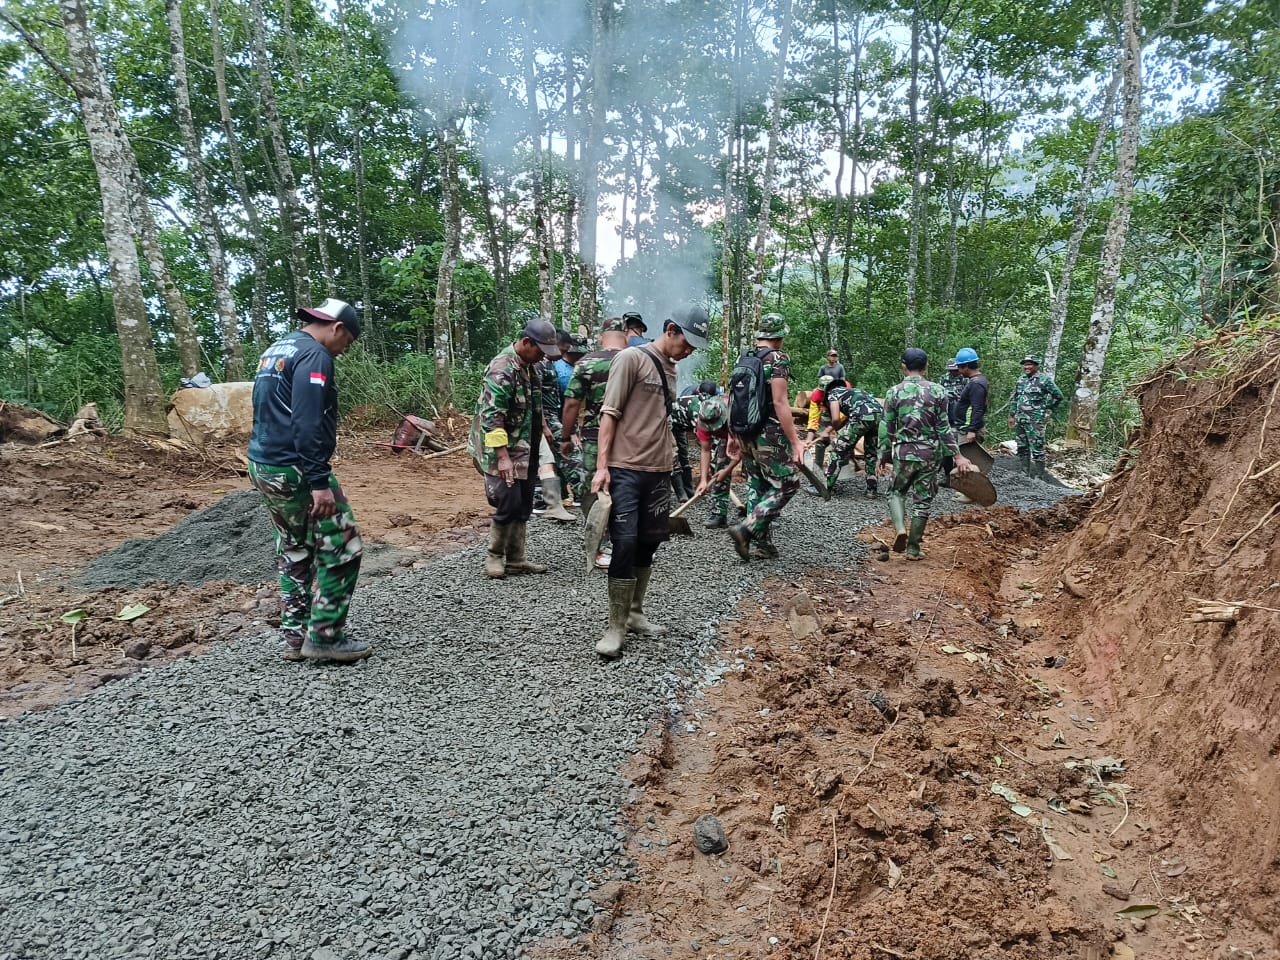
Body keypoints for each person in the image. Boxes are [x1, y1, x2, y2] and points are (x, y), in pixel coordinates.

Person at [247, 297, 368, 663]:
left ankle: (296, 636)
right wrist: (318, 482)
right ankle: (326, 636)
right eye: (347, 342)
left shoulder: (278, 348)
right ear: (337, 328)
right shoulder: (315, 355)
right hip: (297, 468)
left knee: (294, 547)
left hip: (264, 464)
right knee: (343, 546)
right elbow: (307, 421)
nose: (344, 351)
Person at [591, 305, 708, 658]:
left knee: (649, 543)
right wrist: (602, 467)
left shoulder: (672, 369)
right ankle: (615, 626)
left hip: (659, 471)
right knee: (624, 543)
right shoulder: (631, 359)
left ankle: (635, 613)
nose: (689, 351)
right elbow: (609, 413)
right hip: (626, 467)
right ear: (671, 330)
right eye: (687, 343)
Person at [469, 318, 561, 579]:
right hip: (501, 448)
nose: (544, 356)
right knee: (508, 501)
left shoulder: (530, 366)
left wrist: (544, 427)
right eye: (541, 350)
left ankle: (516, 559)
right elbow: (492, 417)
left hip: (525, 445)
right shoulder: (502, 369)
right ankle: (494, 556)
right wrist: (502, 457)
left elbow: (534, 401)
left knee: (524, 501)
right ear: (526, 342)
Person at [877, 348, 974, 560]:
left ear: (904, 366)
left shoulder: (894, 392)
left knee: (896, 492)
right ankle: (913, 548)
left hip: (904, 453)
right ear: (926, 366)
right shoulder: (939, 391)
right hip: (930, 454)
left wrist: (882, 455)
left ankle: (900, 528)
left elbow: (887, 427)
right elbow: (944, 428)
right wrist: (957, 456)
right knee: (922, 501)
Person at [728, 314, 807, 562]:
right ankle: (747, 529)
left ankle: (760, 545)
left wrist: (732, 434)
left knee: (757, 484)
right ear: (779, 336)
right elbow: (780, 401)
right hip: (769, 435)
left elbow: (733, 396)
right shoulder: (778, 358)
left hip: (745, 431)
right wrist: (795, 441)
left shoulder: (744, 357)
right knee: (788, 484)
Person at [562, 317, 629, 571]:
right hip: (630, 439)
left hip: (593, 436)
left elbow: (571, 404)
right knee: (627, 487)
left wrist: (565, 438)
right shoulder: (637, 360)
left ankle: (599, 547)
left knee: (595, 489)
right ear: (625, 336)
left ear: (602, 336)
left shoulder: (586, 363)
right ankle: (625, 544)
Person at [533, 342, 575, 522]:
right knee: (546, 460)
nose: (562, 354)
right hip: (540, 420)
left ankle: (551, 505)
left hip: (549, 418)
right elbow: (536, 398)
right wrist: (544, 425)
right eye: (561, 350)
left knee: (547, 460)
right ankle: (543, 503)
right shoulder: (537, 364)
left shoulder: (551, 364)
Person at [822, 379, 883, 497]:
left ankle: (825, 487)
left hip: (862, 415)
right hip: (879, 416)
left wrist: (834, 431)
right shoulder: (855, 392)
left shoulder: (833, 393)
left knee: (839, 450)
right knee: (871, 453)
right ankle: (871, 490)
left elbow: (835, 419)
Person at [1008, 354, 1064, 479]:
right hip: (1020, 419)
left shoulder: (1044, 380)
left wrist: (1047, 407)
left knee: (1037, 448)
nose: (1026, 367)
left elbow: (1058, 396)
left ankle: (1040, 476)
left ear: (1036, 366)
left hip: (1035, 420)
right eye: (1025, 364)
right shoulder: (1021, 380)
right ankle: (1024, 474)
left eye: (1030, 364)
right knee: (1022, 447)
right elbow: (1015, 398)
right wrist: (1011, 415)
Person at [695, 392, 740, 528]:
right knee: (719, 468)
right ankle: (719, 513)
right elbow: (705, 450)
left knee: (755, 470)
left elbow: (743, 449)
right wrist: (703, 480)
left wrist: (728, 470)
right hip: (727, 437)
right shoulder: (704, 418)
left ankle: (761, 515)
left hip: (749, 434)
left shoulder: (736, 412)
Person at [805, 375, 837, 472]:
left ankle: (842, 469)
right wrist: (809, 438)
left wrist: (828, 431)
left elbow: (841, 417)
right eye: (823, 392)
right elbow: (813, 417)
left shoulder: (841, 392)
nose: (825, 394)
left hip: (845, 413)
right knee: (820, 442)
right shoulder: (816, 395)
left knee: (842, 442)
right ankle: (818, 469)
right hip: (827, 411)